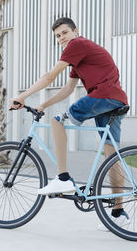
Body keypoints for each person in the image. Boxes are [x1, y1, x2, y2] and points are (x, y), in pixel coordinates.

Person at [9, 17, 129, 226]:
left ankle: (63, 178)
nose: (61, 38)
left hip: (103, 96)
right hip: (115, 100)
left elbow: (49, 76)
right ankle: (118, 213)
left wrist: (23, 96)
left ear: (75, 31)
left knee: (57, 122)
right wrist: (43, 105)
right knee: (112, 157)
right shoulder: (79, 57)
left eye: (65, 32)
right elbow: (68, 89)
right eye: (57, 36)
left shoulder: (77, 44)